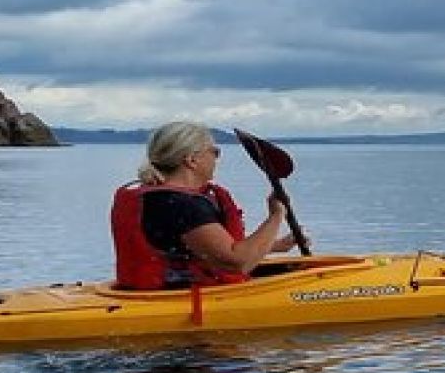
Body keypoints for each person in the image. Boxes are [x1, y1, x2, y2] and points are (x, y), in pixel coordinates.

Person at [110, 121, 309, 290]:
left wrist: (273, 246)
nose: (217, 158)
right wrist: (276, 215)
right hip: (182, 301)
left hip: (143, 293)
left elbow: (201, 250)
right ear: (192, 160)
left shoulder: (154, 196)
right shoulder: (184, 205)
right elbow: (238, 263)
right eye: (214, 151)